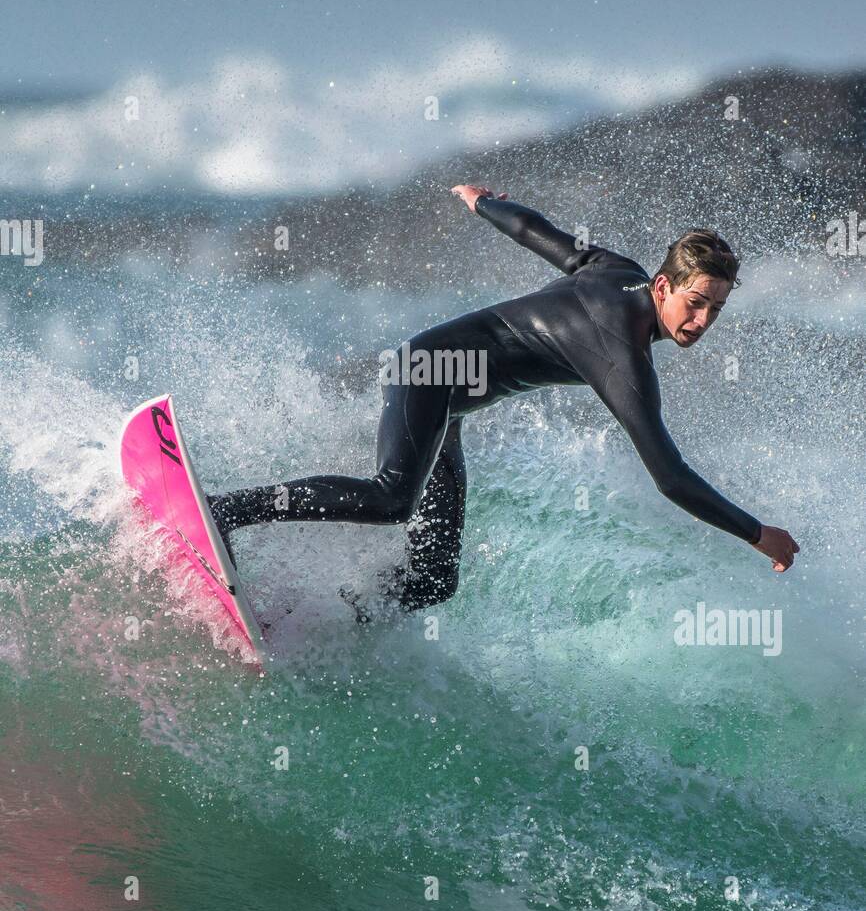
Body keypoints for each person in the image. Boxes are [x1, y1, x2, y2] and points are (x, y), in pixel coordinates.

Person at [207, 187, 799, 613]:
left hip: (446, 406)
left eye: (715, 309)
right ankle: (225, 511)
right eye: (695, 302)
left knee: (434, 579)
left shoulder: (619, 270)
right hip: (427, 372)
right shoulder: (622, 350)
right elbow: (670, 478)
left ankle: (321, 616)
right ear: (664, 287)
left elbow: (538, 233)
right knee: (393, 499)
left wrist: (484, 201)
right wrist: (756, 533)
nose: (702, 320)